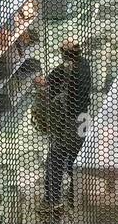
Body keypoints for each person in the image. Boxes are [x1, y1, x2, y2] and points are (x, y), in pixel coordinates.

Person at [38, 40, 93, 212]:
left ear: (64, 53)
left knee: (55, 159)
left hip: (68, 122)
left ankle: (52, 200)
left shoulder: (66, 69)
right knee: (77, 157)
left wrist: (39, 83)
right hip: (84, 118)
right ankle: (76, 193)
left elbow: (46, 84)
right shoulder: (85, 65)